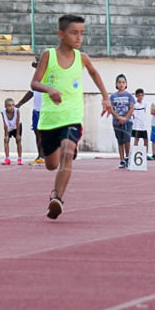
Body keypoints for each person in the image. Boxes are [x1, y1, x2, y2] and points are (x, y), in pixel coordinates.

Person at [30, 14, 112, 220]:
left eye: (82, 33)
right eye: (74, 33)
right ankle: (61, 152)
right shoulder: (48, 55)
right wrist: (49, 89)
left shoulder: (82, 58)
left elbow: (94, 73)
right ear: (61, 34)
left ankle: (56, 199)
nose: (78, 38)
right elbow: (34, 83)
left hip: (72, 115)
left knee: (68, 151)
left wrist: (105, 98)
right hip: (49, 119)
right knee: (51, 164)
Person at [16, 58, 45, 164]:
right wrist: (19, 104)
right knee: (37, 133)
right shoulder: (36, 80)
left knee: (46, 134)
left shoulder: (50, 79)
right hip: (36, 110)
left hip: (47, 111)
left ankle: (48, 155)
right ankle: (40, 156)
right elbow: (31, 93)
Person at [109, 74, 135, 168]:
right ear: (116, 84)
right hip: (117, 122)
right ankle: (122, 160)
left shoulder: (129, 96)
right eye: (119, 82)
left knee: (127, 139)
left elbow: (131, 108)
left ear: (126, 84)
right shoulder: (112, 96)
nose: (121, 84)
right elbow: (111, 109)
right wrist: (118, 118)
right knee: (120, 141)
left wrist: (125, 118)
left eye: (123, 82)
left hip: (127, 122)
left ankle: (128, 157)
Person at [1, 97, 23, 165]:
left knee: (18, 140)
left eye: (13, 105)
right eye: (9, 105)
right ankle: (7, 158)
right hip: (9, 127)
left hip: (17, 126)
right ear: (5, 106)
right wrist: (6, 135)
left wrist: (18, 134)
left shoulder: (17, 111)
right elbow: (5, 124)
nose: (11, 107)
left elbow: (17, 122)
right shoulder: (3, 112)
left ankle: (19, 158)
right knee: (6, 140)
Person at [131, 88, 149, 153]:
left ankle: (146, 154)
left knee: (146, 140)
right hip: (136, 126)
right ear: (136, 96)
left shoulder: (144, 104)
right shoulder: (134, 104)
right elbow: (131, 113)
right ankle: (134, 153)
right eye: (139, 95)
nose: (140, 97)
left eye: (142, 95)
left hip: (143, 126)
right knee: (136, 139)